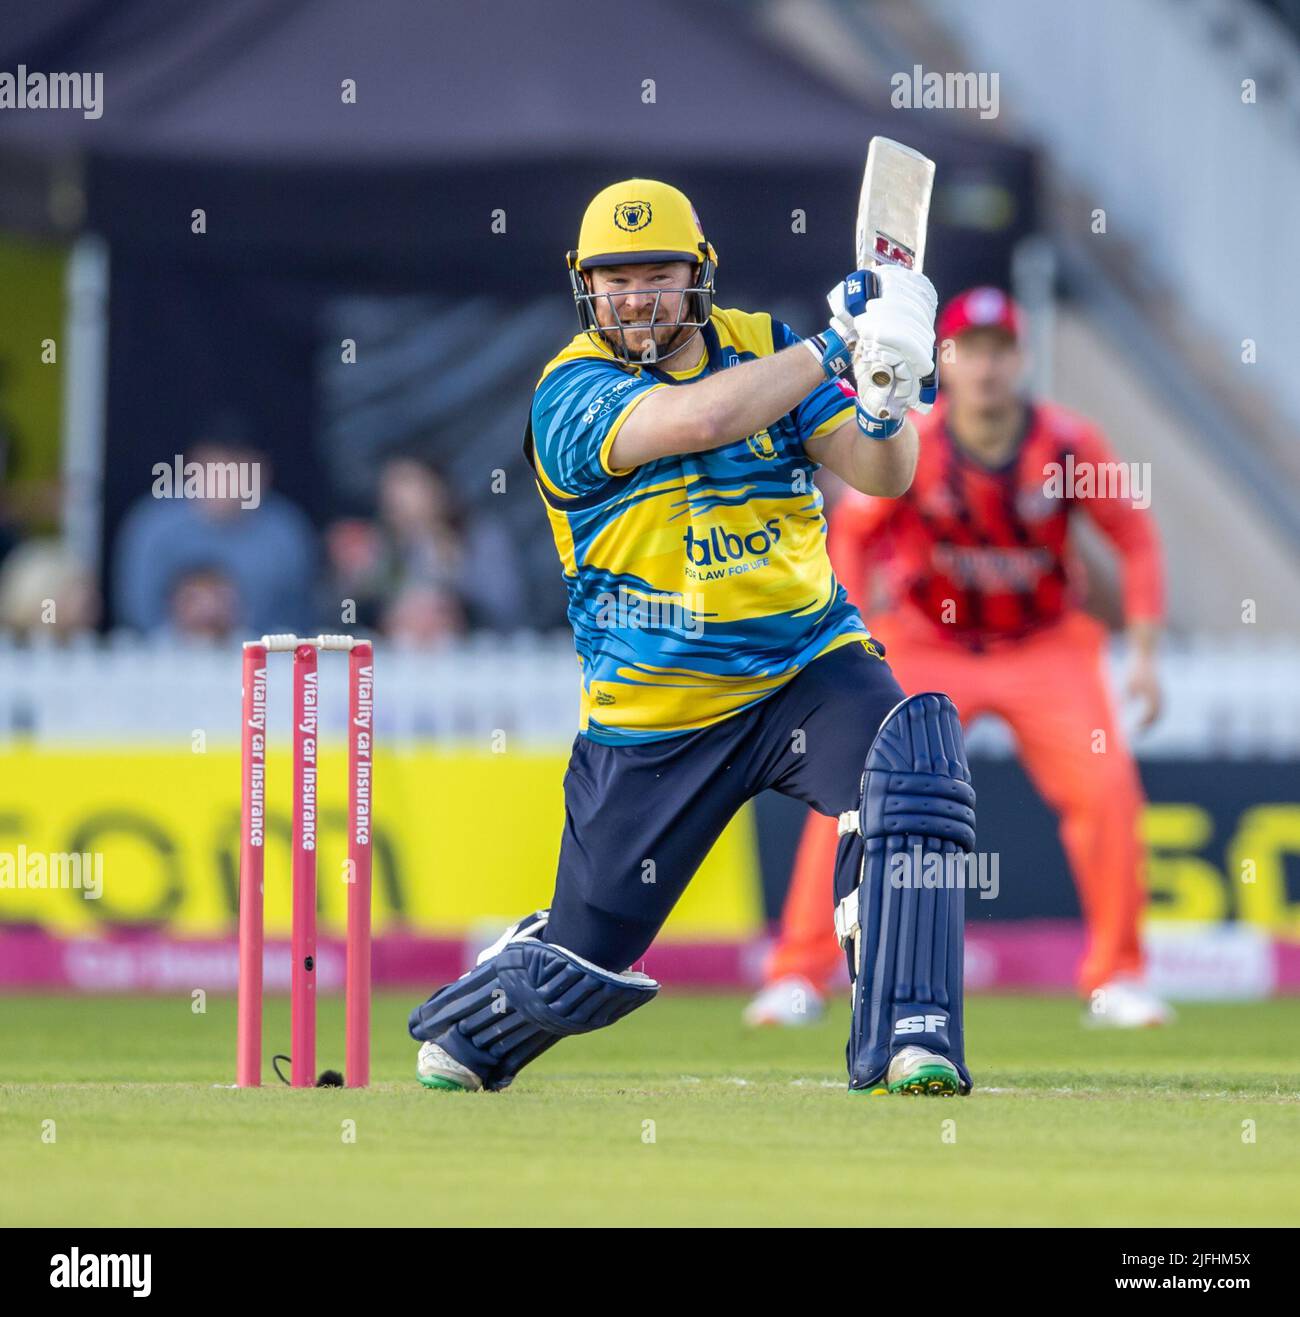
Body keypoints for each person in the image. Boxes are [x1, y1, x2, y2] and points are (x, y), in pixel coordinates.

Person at [409, 179, 978, 1097]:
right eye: (614, 278)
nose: (635, 297)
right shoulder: (569, 390)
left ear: (699, 274)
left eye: (656, 275)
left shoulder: (767, 346)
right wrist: (838, 344)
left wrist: (884, 393)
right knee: (581, 961)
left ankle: (912, 1036)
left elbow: (885, 476)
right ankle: (493, 997)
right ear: (583, 286)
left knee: (911, 760)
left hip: (805, 665)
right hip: (655, 713)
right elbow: (704, 419)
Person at [745, 287, 1170, 1031]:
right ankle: (798, 972)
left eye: (999, 350)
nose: (984, 367)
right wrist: (855, 624)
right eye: (968, 351)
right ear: (945, 358)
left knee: (1107, 790)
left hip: (1044, 644)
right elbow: (852, 530)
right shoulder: (918, 440)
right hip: (926, 641)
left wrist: (1142, 651)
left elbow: (1134, 536)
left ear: (1020, 358)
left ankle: (1118, 976)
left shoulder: (1068, 444)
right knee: (852, 791)